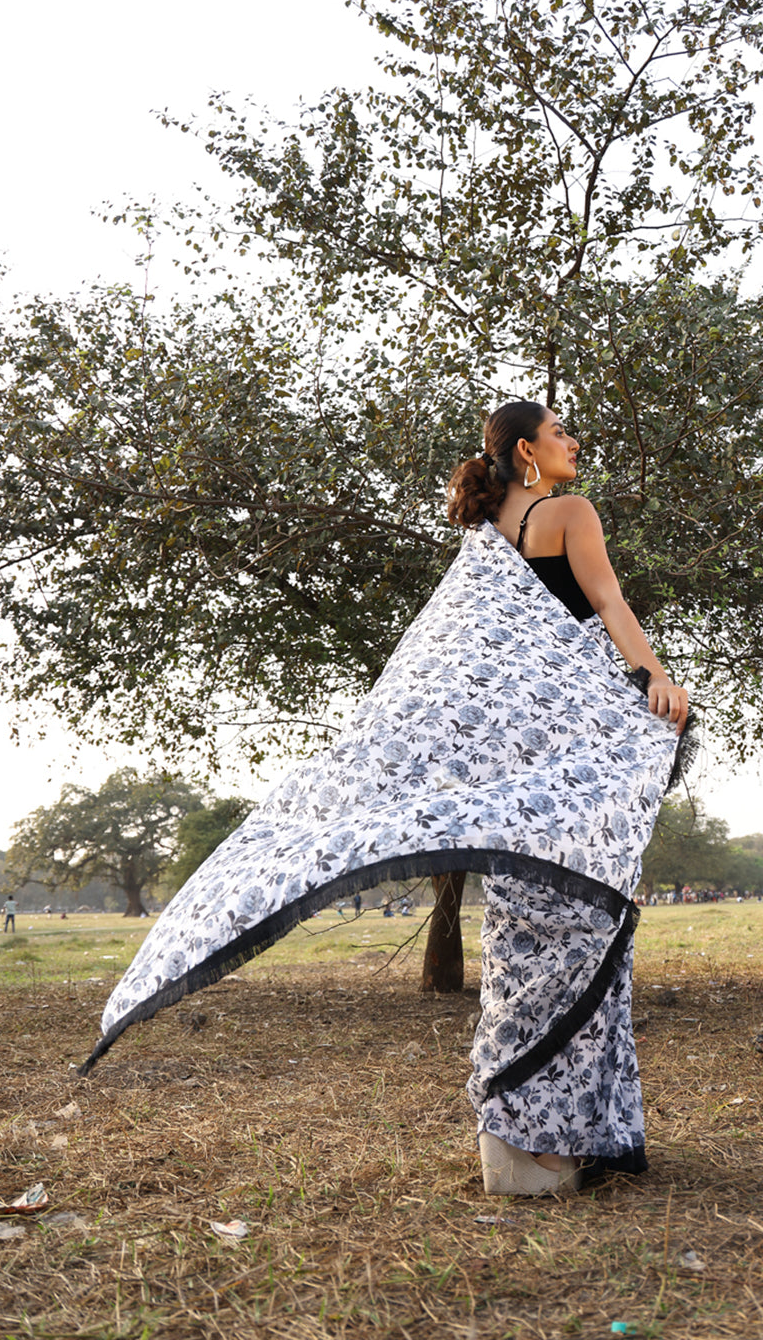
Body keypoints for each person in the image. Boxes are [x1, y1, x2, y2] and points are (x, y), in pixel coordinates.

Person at [78, 401, 692, 1198]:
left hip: (503, 780)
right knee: (578, 931)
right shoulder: (569, 511)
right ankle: (557, 1144)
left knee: (522, 945)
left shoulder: (477, 549)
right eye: (561, 430)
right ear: (525, 454)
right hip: (554, 776)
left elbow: (445, 683)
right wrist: (654, 678)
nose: (576, 440)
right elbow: (608, 603)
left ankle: (517, 1141)